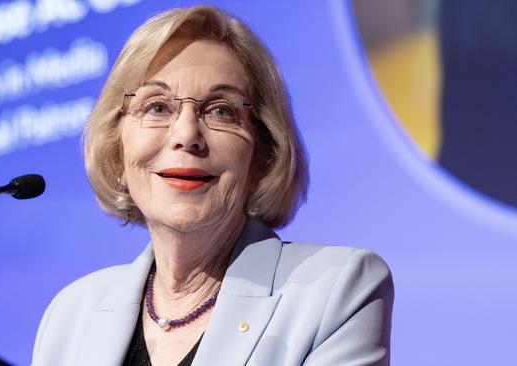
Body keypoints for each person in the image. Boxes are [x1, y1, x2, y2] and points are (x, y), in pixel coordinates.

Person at [32, 5, 393, 366]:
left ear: (264, 153)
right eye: (157, 107)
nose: (187, 135)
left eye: (221, 110)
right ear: (117, 148)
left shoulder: (335, 289)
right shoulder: (72, 314)